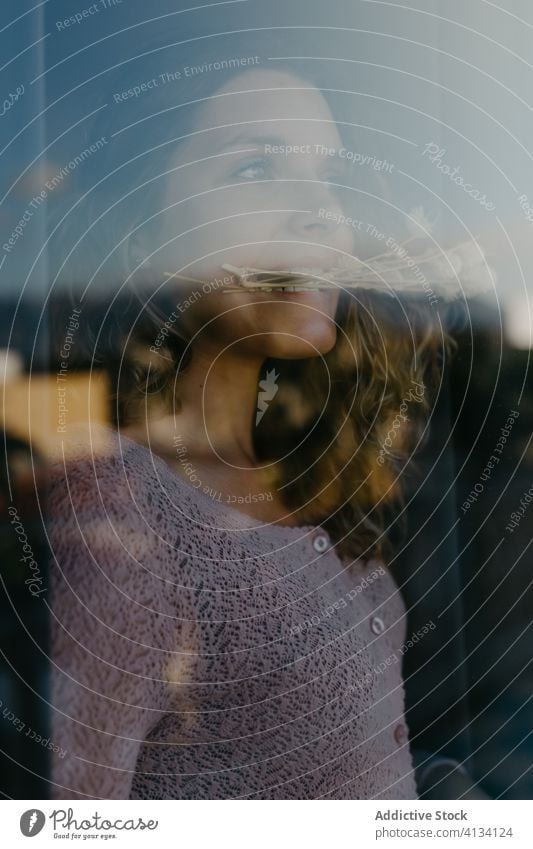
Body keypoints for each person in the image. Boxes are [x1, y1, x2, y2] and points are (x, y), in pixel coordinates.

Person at [46, 34, 447, 799]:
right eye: (255, 168)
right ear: (147, 232)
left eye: (326, 178)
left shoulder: (303, 461)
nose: (318, 212)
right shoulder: (124, 521)